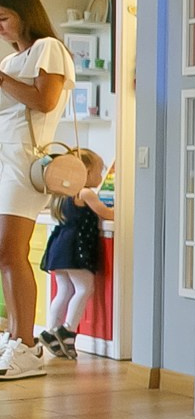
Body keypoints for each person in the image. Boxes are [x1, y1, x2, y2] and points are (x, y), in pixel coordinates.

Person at [0, 0, 74, 381]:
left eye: (4, 18)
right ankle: (17, 338)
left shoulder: (48, 48)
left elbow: (45, 101)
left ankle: (27, 345)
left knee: (11, 250)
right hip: (5, 159)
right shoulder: (14, 61)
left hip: (24, 163)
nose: (0, 27)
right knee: (5, 254)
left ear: (25, 14)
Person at [38, 149, 111, 360]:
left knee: (63, 290)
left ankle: (50, 331)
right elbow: (105, 213)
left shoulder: (61, 195)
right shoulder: (86, 192)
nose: (100, 177)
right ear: (85, 172)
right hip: (74, 249)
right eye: (99, 171)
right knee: (84, 287)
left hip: (59, 247)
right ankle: (68, 330)